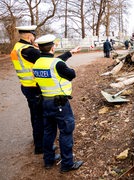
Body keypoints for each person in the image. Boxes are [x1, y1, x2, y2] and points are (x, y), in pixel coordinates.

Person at [9, 25, 73, 154]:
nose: (34, 38)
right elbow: (49, 63)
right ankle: (40, 146)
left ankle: (39, 142)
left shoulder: (17, 48)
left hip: (26, 85)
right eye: (33, 36)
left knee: (35, 116)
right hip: (34, 88)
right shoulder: (29, 50)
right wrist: (68, 54)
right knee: (39, 118)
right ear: (29, 36)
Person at [32, 34, 83, 172]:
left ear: (40, 47)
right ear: (53, 47)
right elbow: (71, 74)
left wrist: (70, 53)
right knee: (66, 132)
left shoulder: (37, 63)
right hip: (59, 104)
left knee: (48, 132)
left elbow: (51, 65)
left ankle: (48, 160)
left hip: (45, 102)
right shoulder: (57, 64)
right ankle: (67, 164)